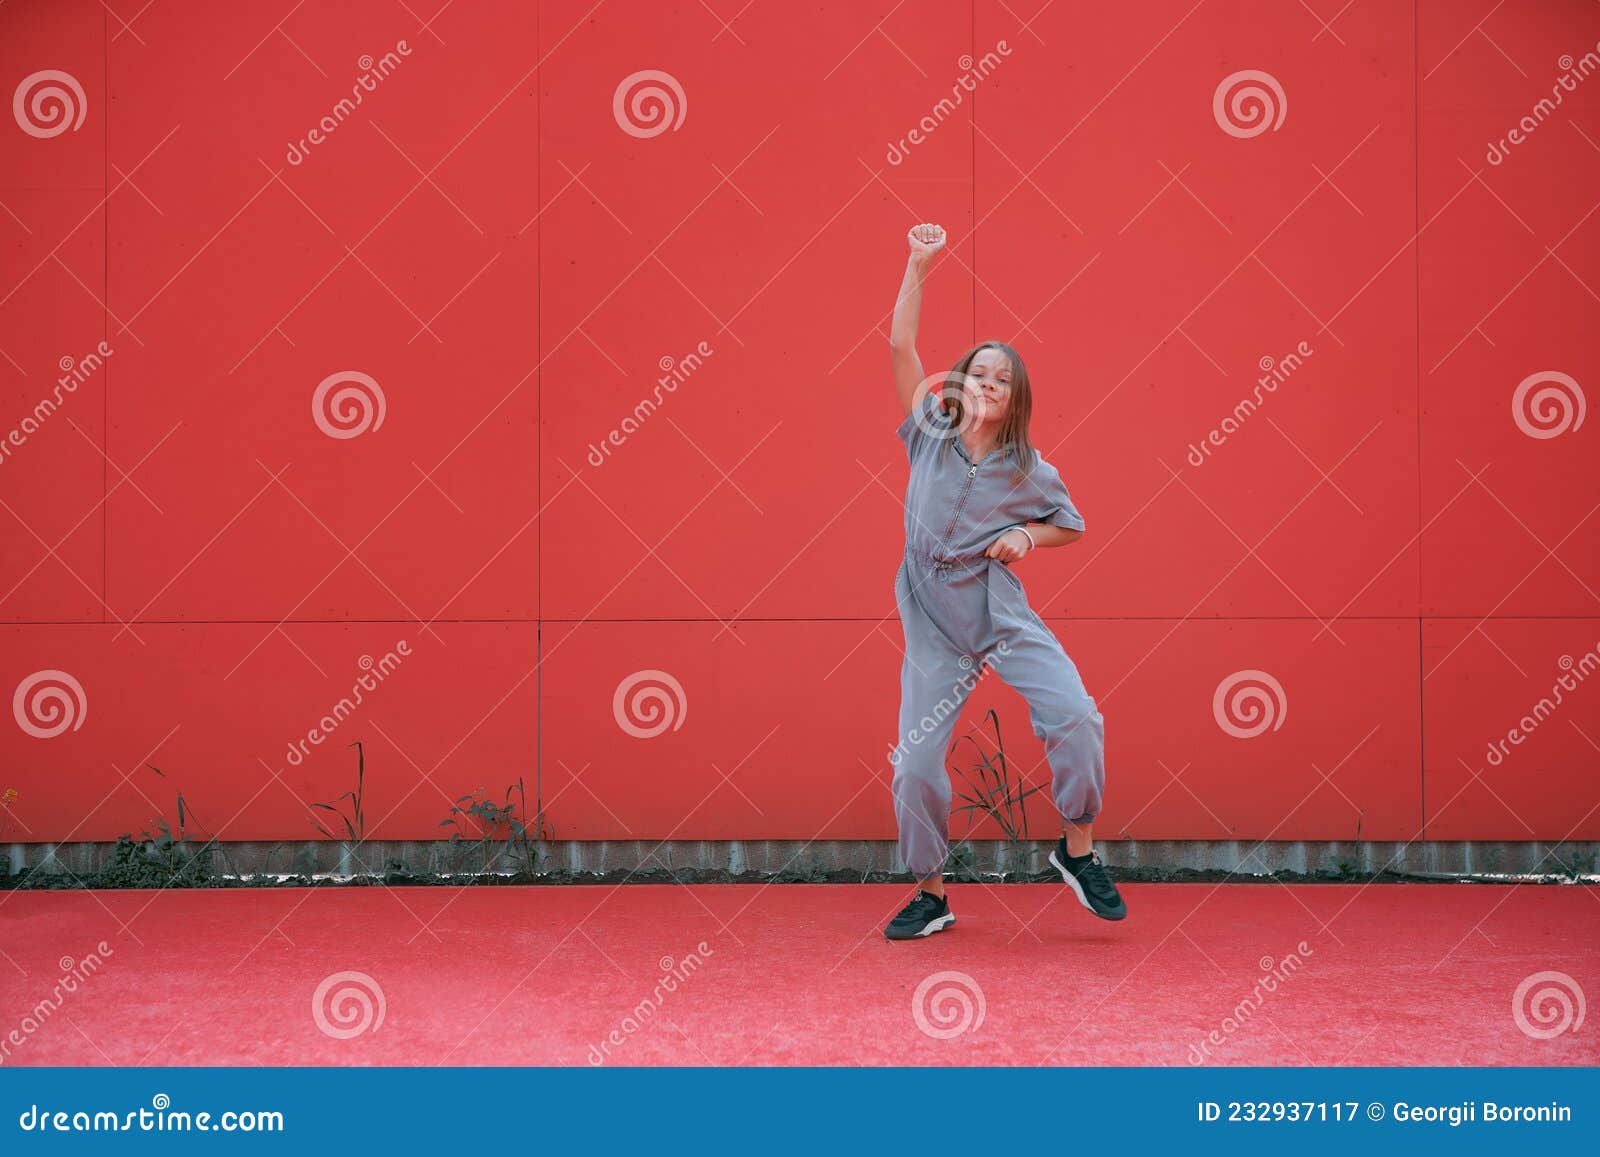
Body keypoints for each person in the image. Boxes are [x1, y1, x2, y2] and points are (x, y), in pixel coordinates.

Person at [884, 221, 1126, 940]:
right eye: (979, 371)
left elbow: (1071, 523)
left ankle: (1076, 846)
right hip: (933, 615)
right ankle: (931, 893)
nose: (988, 382)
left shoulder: (1028, 467)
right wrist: (919, 265)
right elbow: (900, 347)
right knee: (916, 763)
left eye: (1003, 377)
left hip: (998, 609)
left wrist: (1027, 533)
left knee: (1078, 716)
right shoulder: (929, 430)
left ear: (1016, 397)